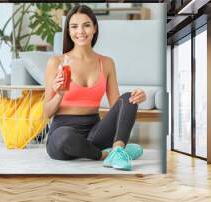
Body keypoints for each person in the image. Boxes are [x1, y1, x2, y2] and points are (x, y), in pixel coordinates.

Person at [44, 5, 146, 171]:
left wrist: (136, 98)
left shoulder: (106, 63)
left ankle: (118, 150)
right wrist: (60, 95)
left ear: (94, 28)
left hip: (95, 132)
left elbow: (117, 106)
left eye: (86, 25)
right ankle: (104, 155)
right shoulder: (56, 63)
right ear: (68, 31)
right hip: (62, 134)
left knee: (129, 97)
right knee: (64, 137)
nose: (81, 31)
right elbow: (46, 112)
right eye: (74, 26)